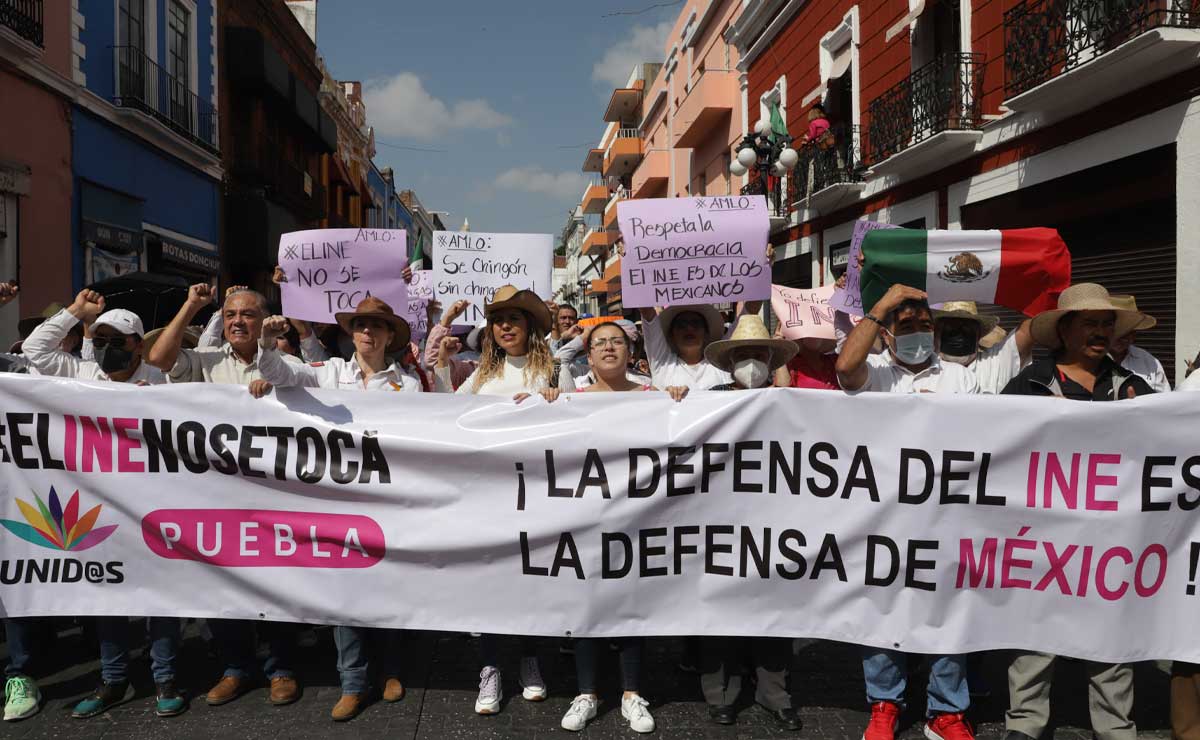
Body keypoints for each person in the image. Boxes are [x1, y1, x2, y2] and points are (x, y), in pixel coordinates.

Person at [253, 297, 418, 721]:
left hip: (387, 499)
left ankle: (393, 671)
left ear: (388, 335)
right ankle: (353, 682)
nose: (368, 333)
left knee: (389, 588)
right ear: (351, 332)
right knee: (346, 593)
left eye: (377, 327)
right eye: (361, 325)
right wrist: (268, 346)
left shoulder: (408, 384)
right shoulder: (329, 373)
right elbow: (281, 373)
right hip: (339, 501)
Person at [22, 290, 183, 719]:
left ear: (137, 344)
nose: (106, 348)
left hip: (152, 508)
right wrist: (76, 313)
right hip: (99, 510)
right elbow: (35, 349)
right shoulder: (83, 373)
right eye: (99, 339)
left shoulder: (161, 380)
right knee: (106, 597)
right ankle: (114, 680)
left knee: (158, 596)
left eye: (117, 340)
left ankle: (165, 676)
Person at [1001, 283, 1150, 740]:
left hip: (1111, 540)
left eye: (1108, 324)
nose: (1101, 333)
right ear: (1065, 330)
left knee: (1110, 635)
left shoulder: (1134, 388)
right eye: (1091, 323)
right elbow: (996, 448)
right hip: (1041, 537)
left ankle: (1115, 728)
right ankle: (1025, 724)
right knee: (1033, 633)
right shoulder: (1026, 386)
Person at [144, 283, 301, 708]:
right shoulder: (207, 360)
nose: (237, 322)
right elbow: (157, 359)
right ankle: (236, 668)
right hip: (216, 495)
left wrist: (272, 386)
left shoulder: (284, 361)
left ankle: (282, 668)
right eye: (231, 314)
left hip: (271, 496)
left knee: (275, 582)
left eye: (247, 314)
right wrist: (193, 304)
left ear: (263, 319)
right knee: (223, 582)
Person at [836, 284, 976, 740]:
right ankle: (884, 702)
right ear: (887, 334)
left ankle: (946, 711)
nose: (917, 332)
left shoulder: (961, 378)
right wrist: (880, 307)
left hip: (947, 514)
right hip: (885, 515)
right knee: (882, 606)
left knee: (949, 608)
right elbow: (844, 367)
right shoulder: (875, 372)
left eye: (924, 325)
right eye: (906, 325)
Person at [432, 284, 571, 714]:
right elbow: (444, 416)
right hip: (489, 494)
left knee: (530, 579)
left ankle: (529, 661)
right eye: (498, 320)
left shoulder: (553, 371)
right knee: (491, 582)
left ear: (528, 326)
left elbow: (579, 423)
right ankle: (490, 667)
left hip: (537, 494)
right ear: (490, 330)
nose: (505, 326)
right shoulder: (482, 376)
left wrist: (557, 401)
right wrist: (440, 368)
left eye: (514, 319)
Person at [675, 314, 802, 730]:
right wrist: (674, 400)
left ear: (770, 358)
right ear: (729, 363)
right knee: (717, 611)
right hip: (718, 524)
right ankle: (721, 694)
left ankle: (774, 694)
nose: (751, 362)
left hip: (774, 524)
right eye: (742, 355)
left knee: (774, 613)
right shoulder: (706, 401)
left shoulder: (792, 403)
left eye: (758, 354)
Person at [554, 321, 659, 735]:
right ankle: (587, 693)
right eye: (600, 343)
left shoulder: (653, 397)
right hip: (588, 519)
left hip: (637, 519)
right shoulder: (571, 401)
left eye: (618, 341)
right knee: (588, 604)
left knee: (631, 604)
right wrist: (542, 401)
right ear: (589, 355)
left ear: (630, 353)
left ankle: (632, 694)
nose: (609, 348)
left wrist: (682, 401)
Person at [933, 301, 1033, 394]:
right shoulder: (925, 368)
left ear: (979, 334)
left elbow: (1030, 329)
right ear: (937, 333)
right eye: (950, 327)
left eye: (966, 327)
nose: (958, 333)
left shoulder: (996, 362)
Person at [1107, 295, 1170, 392]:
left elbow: (1165, 400)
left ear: (1134, 334)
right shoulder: (1089, 361)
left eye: (1128, 332)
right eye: (1118, 331)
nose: (1122, 338)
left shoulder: (1150, 362)